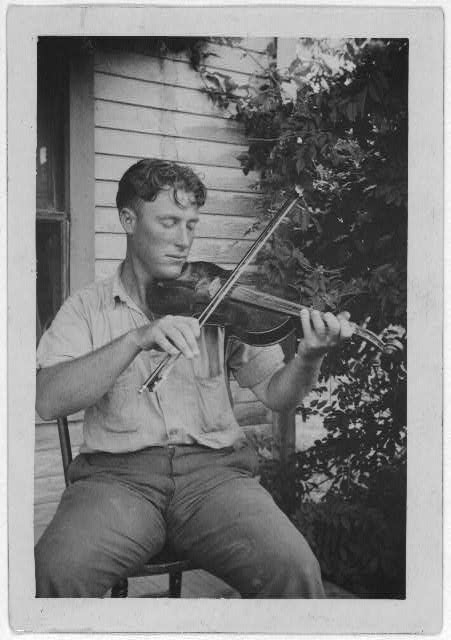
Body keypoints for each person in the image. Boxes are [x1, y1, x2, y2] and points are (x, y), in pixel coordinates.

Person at [35, 158, 354, 598]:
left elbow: (277, 394)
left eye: (192, 225)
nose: (184, 240)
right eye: (169, 222)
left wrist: (309, 359)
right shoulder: (85, 308)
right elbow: (48, 400)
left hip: (216, 480)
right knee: (55, 571)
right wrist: (135, 339)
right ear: (128, 220)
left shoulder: (217, 297)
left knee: (294, 568)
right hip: (116, 482)